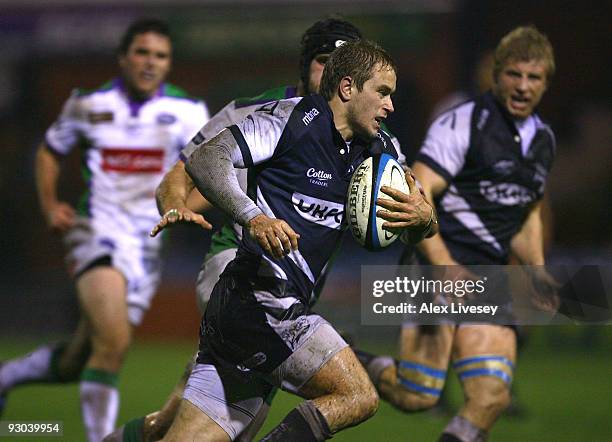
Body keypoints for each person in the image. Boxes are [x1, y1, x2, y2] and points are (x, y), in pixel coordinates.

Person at [152, 39, 435, 441]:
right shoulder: (290, 120)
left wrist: (425, 220)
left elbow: (422, 214)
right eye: (383, 92)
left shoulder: (380, 149)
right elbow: (205, 159)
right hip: (260, 302)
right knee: (358, 396)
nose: (390, 106)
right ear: (348, 88)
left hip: (249, 314)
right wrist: (253, 217)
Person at [105, 18, 372, 442]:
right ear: (305, 67)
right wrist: (175, 207)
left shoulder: (368, 136)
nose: (336, 73)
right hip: (238, 273)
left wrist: (418, 216)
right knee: (346, 397)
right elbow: (181, 175)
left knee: (174, 425)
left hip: (291, 293)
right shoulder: (255, 111)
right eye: (325, 62)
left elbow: (400, 201)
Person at [0, 19, 209, 441]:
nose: (151, 62)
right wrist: (49, 203)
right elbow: (49, 151)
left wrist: (182, 208)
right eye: (142, 53)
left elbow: (210, 177)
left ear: (169, 64)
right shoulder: (87, 105)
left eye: (161, 55)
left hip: (146, 247)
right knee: (113, 342)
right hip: (94, 232)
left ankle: (5, 378)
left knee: (83, 356)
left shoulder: (189, 114)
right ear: (123, 57)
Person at [355, 26, 559, 442]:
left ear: (545, 83)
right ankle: (345, 357)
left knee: (491, 397)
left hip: (488, 275)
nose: (522, 86)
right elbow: (418, 194)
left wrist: (536, 268)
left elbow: (526, 211)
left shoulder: (542, 139)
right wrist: (445, 265)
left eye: (533, 78)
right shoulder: (463, 123)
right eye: (514, 75)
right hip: (434, 266)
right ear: (496, 75)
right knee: (418, 394)